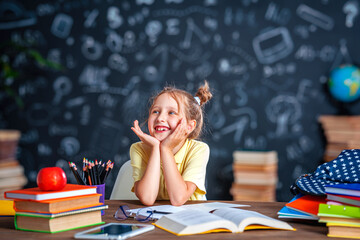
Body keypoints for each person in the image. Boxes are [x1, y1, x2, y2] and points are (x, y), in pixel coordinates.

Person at [130, 81, 213, 206]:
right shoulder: (138, 149)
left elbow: (178, 198)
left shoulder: (199, 150)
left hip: (192, 219)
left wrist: (166, 149)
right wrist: (155, 148)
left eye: (171, 113)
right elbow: (147, 198)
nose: (160, 118)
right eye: (155, 111)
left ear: (189, 126)